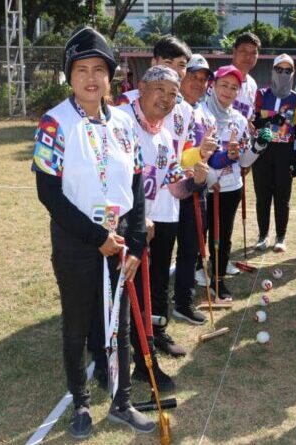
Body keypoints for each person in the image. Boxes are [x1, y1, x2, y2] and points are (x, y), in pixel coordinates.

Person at [32, 26, 153, 438]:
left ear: (110, 76)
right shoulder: (55, 122)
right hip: (76, 242)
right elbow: (48, 193)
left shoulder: (125, 122)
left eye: (98, 69)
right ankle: (81, 404)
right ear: (69, 75)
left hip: (119, 241)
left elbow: (135, 185)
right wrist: (95, 238)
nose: (90, 77)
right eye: (81, 69)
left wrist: (135, 243)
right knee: (78, 325)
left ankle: (122, 402)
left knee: (119, 323)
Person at [118, 66, 209, 389]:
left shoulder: (165, 136)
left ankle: (145, 359)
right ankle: (119, 361)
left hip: (152, 223)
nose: (167, 99)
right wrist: (133, 216)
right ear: (141, 88)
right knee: (122, 297)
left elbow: (175, 187)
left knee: (148, 293)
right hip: (120, 226)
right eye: (160, 89)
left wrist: (196, 182)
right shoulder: (121, 123)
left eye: (173, 94)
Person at [114, 36, 195, 356]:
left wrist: (197, 177)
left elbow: (178, 167)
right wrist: (134, 215)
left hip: (165, 206)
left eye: (181, 67)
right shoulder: (123, 108)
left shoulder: (181, 110)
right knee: (123, 278)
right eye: (167, 64)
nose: (174, 73)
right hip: (129, 213)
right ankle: (117, 340)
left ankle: (154, 332)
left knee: (159, 275)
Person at [203, 65, 271, 300]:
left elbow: (243, 161)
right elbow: (194, 153)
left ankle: (218, 280)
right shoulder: (199, 113)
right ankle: (195, 273)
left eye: (234, 88)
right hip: (204, 186)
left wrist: (258, 147)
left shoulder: (239, 120)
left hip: (230, 188)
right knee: (197, 235)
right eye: (224, 85)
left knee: (222, 237)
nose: (228, 91)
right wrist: (210, 178)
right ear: (213, 85)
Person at [172, 54, 221, 324]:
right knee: (160, 248)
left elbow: (213, 157)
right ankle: (154, 304)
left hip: (197, 187)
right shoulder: (171, 107)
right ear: (182, 77)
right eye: (194, 76)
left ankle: (183, 301)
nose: (199, 83)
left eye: (204, 79)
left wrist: (229, 156)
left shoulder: (206, 114)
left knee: (191, 247)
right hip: (170, 187)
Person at [251, 53, 296, 252]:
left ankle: (280, 236)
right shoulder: (261, 94)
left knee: (282, 197)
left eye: (288, 70)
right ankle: (262, 235)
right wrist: (270, 120)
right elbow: (254, 122)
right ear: (273, 70)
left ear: (293, 73)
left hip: (284, 152)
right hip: (262, 150)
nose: (283, 73)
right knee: (262, 196)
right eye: (279, 69)